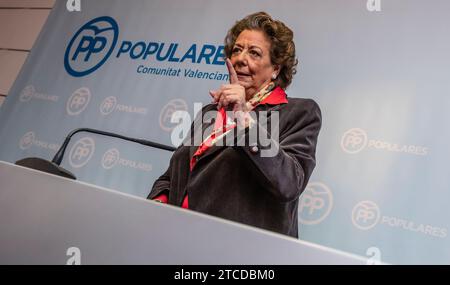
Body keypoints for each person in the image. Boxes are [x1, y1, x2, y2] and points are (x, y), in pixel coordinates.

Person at [147, 11, 321, 238]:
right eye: (237, 50)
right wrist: (157, 203)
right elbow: (175, 174)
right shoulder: (211, 112)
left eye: (254, 53)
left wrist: (243, 119)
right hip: (178, 237)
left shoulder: (297, 113)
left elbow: (289, 183)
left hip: (241, 251)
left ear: (276, 68)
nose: (240, 58)